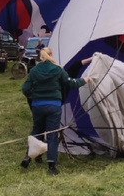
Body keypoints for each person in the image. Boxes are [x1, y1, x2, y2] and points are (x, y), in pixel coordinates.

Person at [20, 47, 89, 175]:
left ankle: (28, 157)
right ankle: (51, 166)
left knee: (36, 131)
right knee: (52, 135)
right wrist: (84, 80)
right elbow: (71, 83)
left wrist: (34, 96)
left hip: (37, 106)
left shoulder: (34, 71)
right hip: (53, 106)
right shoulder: (58, 70)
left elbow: (25, 88)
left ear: (41, 56)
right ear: (51, 55)